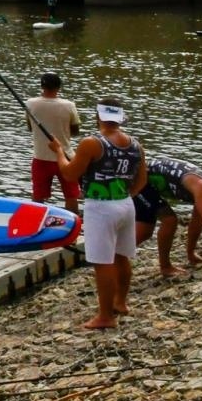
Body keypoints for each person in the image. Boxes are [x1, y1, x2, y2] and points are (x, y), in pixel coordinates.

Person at [52, 97, 146, 329]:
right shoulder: (135, 144)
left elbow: (70, 175)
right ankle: (120, 303)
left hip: (101, 208)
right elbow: (141, 181)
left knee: (102, 261)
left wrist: (59, 153)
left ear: (98, 116)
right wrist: (124, 195)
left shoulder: (92, 143)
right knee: (121, 256)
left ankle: (105, 317)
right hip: (126, 204)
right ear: (120, 118)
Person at [133, 156, 202, 276]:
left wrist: (191, 254)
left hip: (145, 180)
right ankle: (165, 267)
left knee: (145, 232)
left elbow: (196, 224)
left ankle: (108, 258)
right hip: (138, 180)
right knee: (169, 220)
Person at [26, 71, 82, 215]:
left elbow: (30, 127)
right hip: (65, 157)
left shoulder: (30, 104)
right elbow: (75, 131)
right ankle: (74, 230)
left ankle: (35, 224)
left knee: (38, 196)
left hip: (40, 157)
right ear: (59, 87)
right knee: (71, 195)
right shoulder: (69, 105)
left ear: (41, 86)